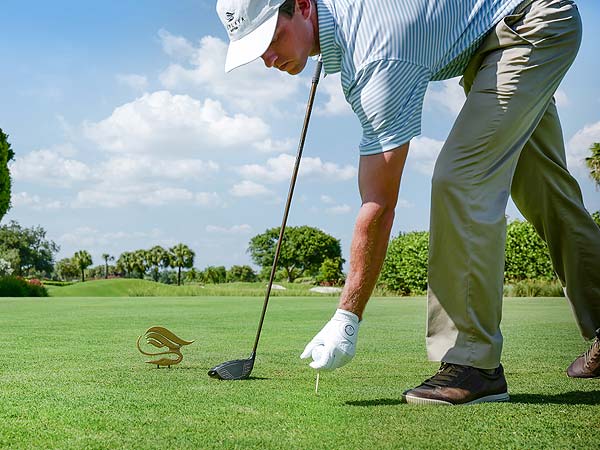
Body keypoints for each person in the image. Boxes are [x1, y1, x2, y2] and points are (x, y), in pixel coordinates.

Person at [216, 0, 600, 404]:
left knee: (461, 178)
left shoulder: (376, 57)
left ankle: (473, 364)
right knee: (544, 189)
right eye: (257, 49)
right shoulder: (348, 29)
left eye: (274, 37)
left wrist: (346, 317)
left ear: (303, 7)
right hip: (494, 39)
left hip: (528, 23)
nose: (269, 58)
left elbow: (379, 201)